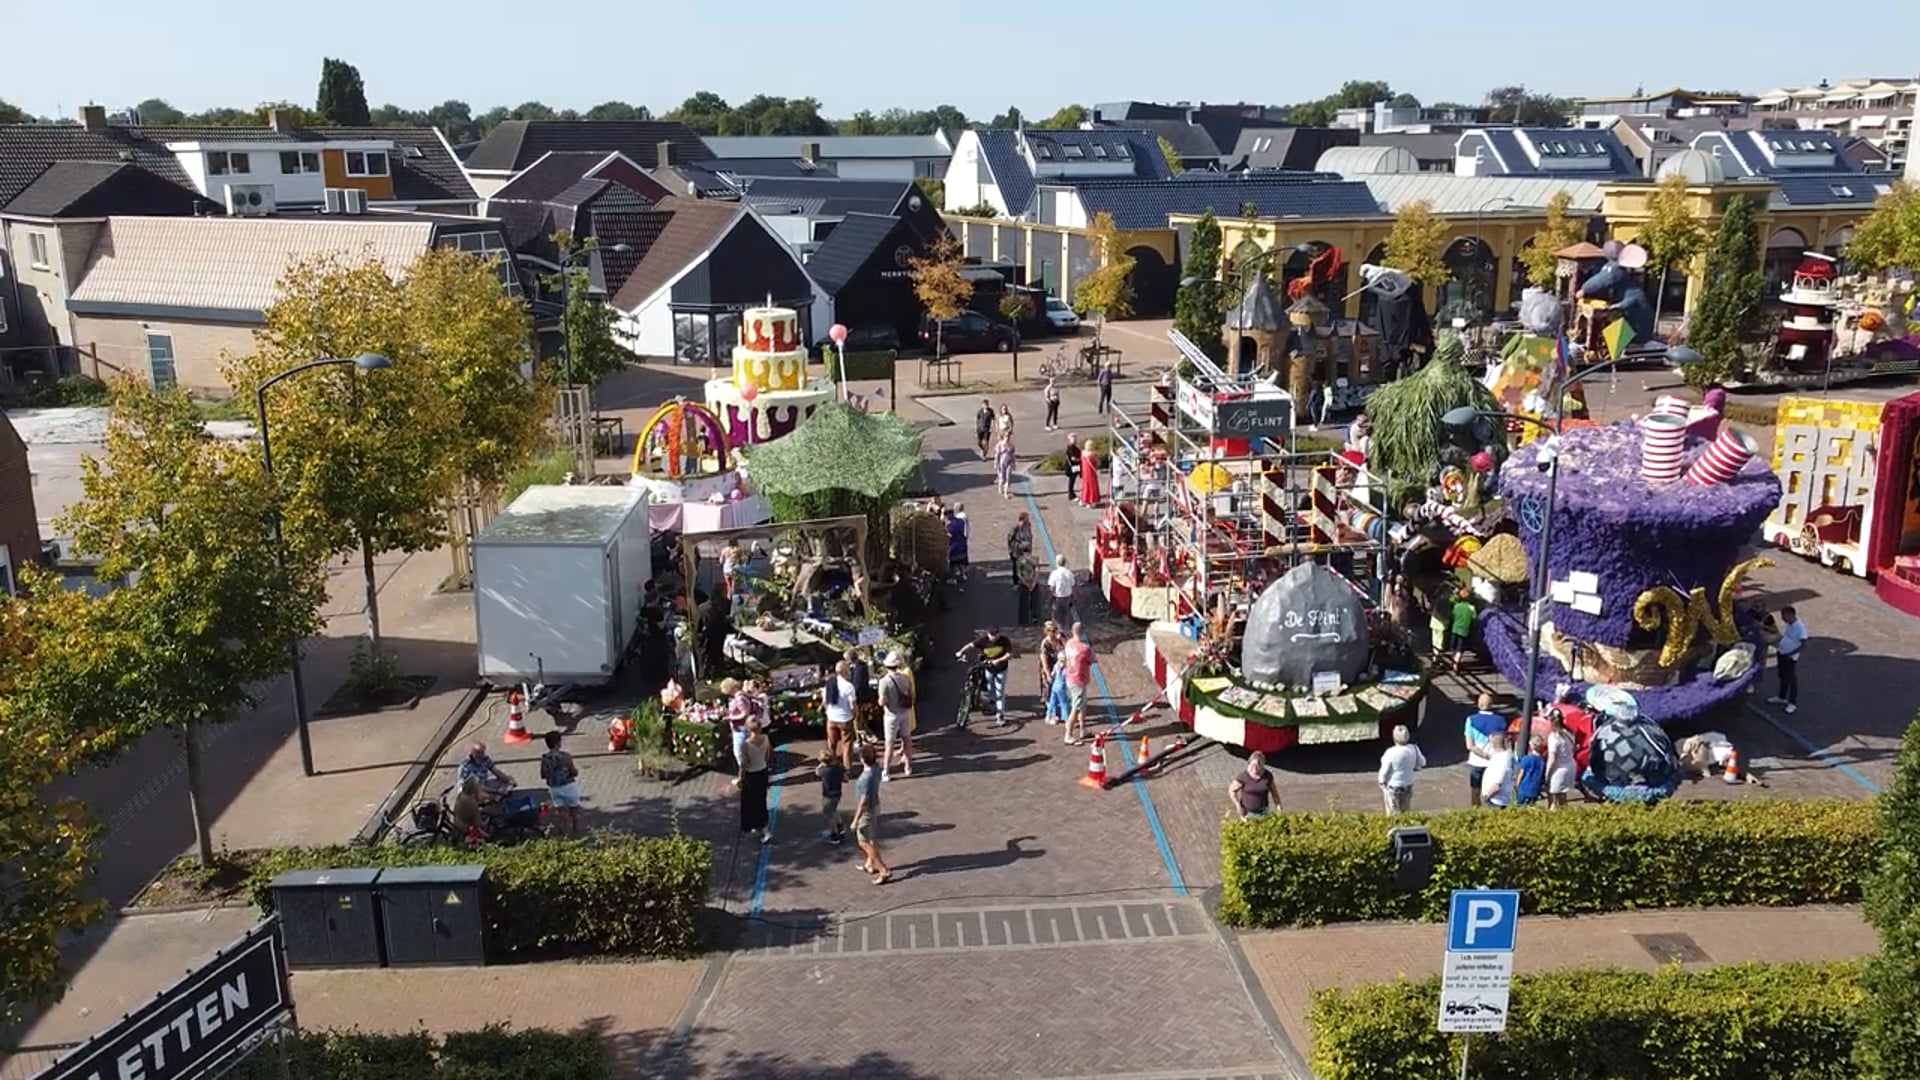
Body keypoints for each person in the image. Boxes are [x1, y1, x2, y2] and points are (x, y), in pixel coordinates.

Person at [852, 743, 891, 885]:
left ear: (862, 759)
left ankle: (883, 869)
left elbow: (863, 802)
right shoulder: (877, 769)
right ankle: (869, 864)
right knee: (872, 838)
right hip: (876, 806)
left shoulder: (864, 779)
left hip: (867, 811)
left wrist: (855, 820)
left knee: (863, 842)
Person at [958, 627, 1013, 727]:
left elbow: (1009, 654)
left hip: (1001, 669)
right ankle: (992, 700)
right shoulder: (983, 640)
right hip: (988, 669)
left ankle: (1000, 715)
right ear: (988, 634)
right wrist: (961, 652)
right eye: (992, 635)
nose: (994, 638)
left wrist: (998, 660)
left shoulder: (1004, 641)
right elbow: (971, 645)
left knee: (1000, 692)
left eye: (996, 635)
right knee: (990, 687)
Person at [1463, 693, 1506, 807]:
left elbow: (1469, 745)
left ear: (1478, 704)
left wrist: (1484, 754)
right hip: (1494, 762)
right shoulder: (1500, 720)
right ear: (1491, 705)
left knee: (1475, 791)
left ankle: (1476, 812)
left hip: (1476, 761)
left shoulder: (1470, 720)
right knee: (1493, 791)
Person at [879, 651, 916, 779]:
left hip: (891, 715)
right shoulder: (905, 678)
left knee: (889, 743)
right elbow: (910, 692)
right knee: (907, 739)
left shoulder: (884, 681)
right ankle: (908, 766)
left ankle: (886, 771)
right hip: (905, 712)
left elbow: (882, 701)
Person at [539, 730, 581, 837]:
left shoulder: (545, 758)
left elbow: (543, 775)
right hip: (568, 786)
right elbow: (573, 772)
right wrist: (575, 772)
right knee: (574, 809)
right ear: (558, 743)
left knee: (562, 811)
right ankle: (575, 831)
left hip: (554, 788)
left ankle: (566, 832)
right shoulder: (566, 756)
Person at [1376, 724, 1425, 813]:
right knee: (1406, 811)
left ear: (1394, 737)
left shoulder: (1390, 752)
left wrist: (1381, 782)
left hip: (1393, 787)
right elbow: (1422, 762)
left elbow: (1384, 771)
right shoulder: (1414, 748)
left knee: (1392, 813)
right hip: (1408, 785)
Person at [737, 718, 772, 844]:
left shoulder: (746, 744)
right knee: (760, 800)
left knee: (749, 801)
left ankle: (761, 829)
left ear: (748, 729)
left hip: (751, 775)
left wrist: (740, 777)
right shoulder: (766, 739)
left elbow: (744, 764)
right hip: (762, 772)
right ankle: (761, 826)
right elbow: (768, 755)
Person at [1770, 605, 1806, 714]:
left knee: (1791, 679)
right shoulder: (1790, 625)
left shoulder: (1800, 628)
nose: (1783, 619)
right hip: (1782, 653)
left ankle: (1792, 702)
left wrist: (1790, 653)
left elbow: (1803, 644)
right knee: (1782, 676)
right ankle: (1782, 696)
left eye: (1784, 616)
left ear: (1791, 615)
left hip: (1790, 657)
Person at [1062, 623, 1094, 745]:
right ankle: (1068, 735)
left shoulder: (1069, 644)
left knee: (1082, 705)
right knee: (1076, 708)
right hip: (1079, 680)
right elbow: (1093, 660)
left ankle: (1083, 730)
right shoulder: (1085, 648)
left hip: (1070, 678)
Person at [1228, 752, 1278, 819]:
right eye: (1252, 765)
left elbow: (1274, 792)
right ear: (1249, 763)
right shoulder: (1243, 776)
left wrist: (1278, 805)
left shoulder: (1268, 776)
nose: (1254, 768)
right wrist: (1237, 804)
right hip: (1247, 813)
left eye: (1257, 766)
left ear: (1262, 765)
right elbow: (1231, 790)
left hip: (1263, 812)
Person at [1544, 710, 1577, 809]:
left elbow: (1552, 759)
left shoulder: (1553, 737)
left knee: (1553, 799)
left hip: (1559, 769)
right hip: (1570, 766)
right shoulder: (1569, 732)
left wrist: (1547, 773)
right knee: (1563, 797)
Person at [822, 659, 855, 757]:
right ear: (845, 671)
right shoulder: (849, 686)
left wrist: (828, 712)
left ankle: (831, 765)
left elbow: (824, 702)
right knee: (847, 745)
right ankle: (847, 768)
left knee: (832, 745)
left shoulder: (828, 684)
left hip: (831, 718)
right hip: (845, 719)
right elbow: (852, 705)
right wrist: (854, 714)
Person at [817, 745, 848, 845]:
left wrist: (820, 765)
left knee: (828, 815)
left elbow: (817, 772)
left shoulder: (823, 771)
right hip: (837, 794)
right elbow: (846, 779)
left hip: (828, 795)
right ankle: (840, 826)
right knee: (834, 810)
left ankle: (834, 834)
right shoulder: (839, 768)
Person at [1039, 621, 1069, 725]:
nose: (1053, 632)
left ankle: (1061, 714)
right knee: (1050, 691)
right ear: (1046, 632)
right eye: (1051, 631)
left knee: (1061, 690)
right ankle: (1051, 714)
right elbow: (1044, 661)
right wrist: (1047, 674)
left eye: (1055, 630)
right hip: (1049, 667)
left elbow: (1068, 648)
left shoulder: (1060, 639)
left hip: (1060, 667)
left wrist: (1062, 639)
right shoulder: (1045, 643)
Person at [1480, 732, 1516, 808]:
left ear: (1493, 744)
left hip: (1496, 801)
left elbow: (1497, 786)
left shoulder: (1502, 760)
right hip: (1495, 799)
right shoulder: (1501, 755)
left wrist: (1486, 798)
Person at [451, 778, 486, 844]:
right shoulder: (472, 803)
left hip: (457, 821)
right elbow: (478, 822)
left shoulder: (461, 795)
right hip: (466, 828)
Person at [1515, 735, 1547, 806]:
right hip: (1535, 788)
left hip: (1524, 788)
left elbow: (1521, 774)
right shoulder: (1542, 760)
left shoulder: (1526, 759)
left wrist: (1517, 784)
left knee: (1521, 806)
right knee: (1531, 805)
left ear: (1532, 746)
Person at [1448, 588, 1476, 669]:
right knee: (1460, 648)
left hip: (1455, 628)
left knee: (1453, 646)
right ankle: (1456, 663)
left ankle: (1453, 659)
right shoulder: (1471, 608)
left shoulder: (1457, 606)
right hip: (1464, 630)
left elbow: (1453, 616)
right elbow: (1474, 618)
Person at [1047, 553, 1077, 630]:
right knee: (1065, 615)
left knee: (1056, 617)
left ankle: (1058, 631)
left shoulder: (1054, 573)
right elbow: (1073, 586)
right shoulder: (1069, 573)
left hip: (1057, 598)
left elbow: (1052, 587)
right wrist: (1073, 597)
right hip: (1067, 597)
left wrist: (1050, 598)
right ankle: (1064, 630)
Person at [1014, 543, 1039, 626]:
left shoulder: (1019, 560)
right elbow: (1037, 571)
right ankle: (1035, 618)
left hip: (1023, 584)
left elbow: (1019, 574)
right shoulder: (1035, 559)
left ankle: (1023, 620)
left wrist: (1026, 583)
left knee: (1023, 603)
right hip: (1033, 583)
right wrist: (1034, 583)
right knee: (1034, 601)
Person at [945, 506, 970, 576]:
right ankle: (963, 574)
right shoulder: (961, 521)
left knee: (952, 564)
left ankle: (953, 578)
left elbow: (948, 536)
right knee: (960, 561)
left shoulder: (949, 526)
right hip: (962, 544)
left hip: (954, 547)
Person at [1078, 437, 1102, 507]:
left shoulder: (1083, 453)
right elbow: (1097, 463)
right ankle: (1091, 501)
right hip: (1091, 473)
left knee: (1085, 486)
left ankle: (1083, 500)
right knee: (1092, 487)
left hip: (1085, 473)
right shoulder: (1093, 454)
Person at [994, 430, 1016, 499]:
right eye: (1006, 436)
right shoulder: (1000, 445)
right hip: (1001, 463)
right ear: (1003, 437)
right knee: (1002, 478)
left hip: (1009, 462)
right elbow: (997, 455)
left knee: (1008, 477)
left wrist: (1014, 463)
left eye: (1009, 437)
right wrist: (995, 463)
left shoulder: (1011, 445)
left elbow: (1012, 455)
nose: (1008, 438)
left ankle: (1006, 493)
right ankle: (1000, 487)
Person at [1064, 433, 1082, 504]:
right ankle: (1071, 495)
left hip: (1074, 467)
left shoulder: (1074, 447)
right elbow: (1073, 458)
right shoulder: (1071, 448)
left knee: (1073, 480)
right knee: (1072, 481)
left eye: (1075, 438)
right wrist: (1081, 460)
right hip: (1072, 467)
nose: (1075, 440)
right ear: (1069, 440)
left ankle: (1072, 494)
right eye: (1073, 438)